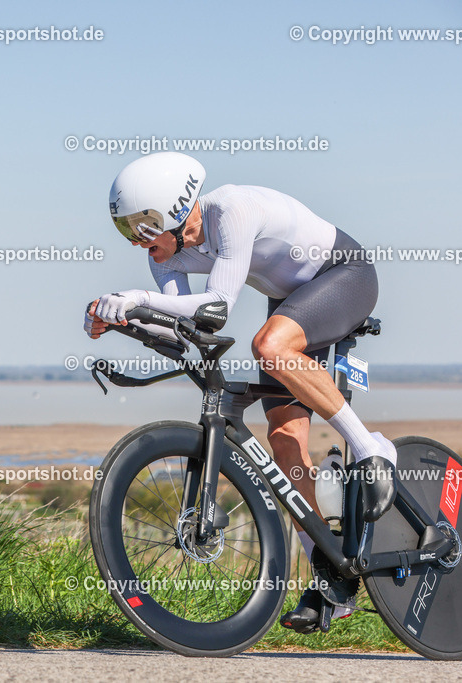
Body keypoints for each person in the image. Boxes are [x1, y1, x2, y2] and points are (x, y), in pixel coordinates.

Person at [84, 152, 397, 633]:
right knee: (284, 441)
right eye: (126, 231)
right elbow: (181, 328)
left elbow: (216, 305)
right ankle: (330, 575)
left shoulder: (230, 211)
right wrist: (121, 319)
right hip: (292, 299)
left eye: (142, 227)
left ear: (173, 209)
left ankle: (369, 446)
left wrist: (140, 300)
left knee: (269, 346)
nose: (137, 241)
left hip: (344, 275)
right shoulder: (163, 255)